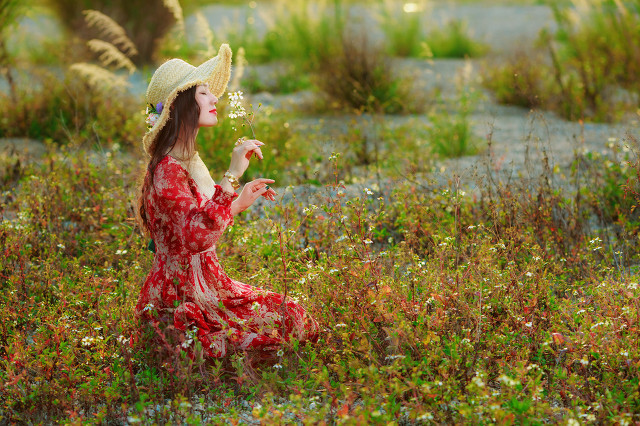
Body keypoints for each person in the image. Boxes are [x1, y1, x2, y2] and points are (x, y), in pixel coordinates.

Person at [135, 44, 318, 359]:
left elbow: (195, 224)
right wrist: (232, 175)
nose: (214, 98)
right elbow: (195, 237)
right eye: (204, 93)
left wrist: (237, 202)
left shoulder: (186, 162)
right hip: (181, 295)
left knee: (293, 315)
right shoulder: (168, 170)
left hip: (208, 282)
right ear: (180, 105)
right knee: (274, 331)